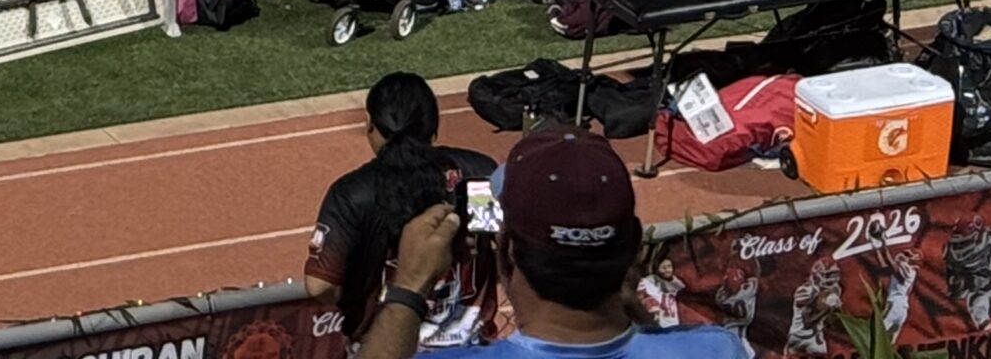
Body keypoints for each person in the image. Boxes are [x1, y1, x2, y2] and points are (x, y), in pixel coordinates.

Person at [353, 129, 744, 359]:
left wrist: (408, 288)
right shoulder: (717, 351)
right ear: (635, 248)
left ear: (507, 253)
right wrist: (631, 303)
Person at [305, 74, 499, 349]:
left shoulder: (353, 193)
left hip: (389, 347)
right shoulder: (478, 173)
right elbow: (502, 247)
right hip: (470, 346)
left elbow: (320, 286)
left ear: (370, 124)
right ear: (434, 127)